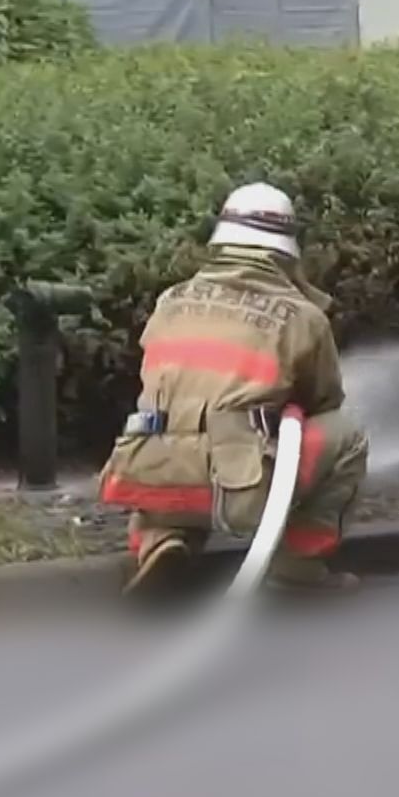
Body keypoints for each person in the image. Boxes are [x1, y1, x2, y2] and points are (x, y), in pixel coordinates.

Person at [98, 183, 369, 596]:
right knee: (346, 434)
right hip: (236, 491)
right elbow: (324, 402)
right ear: (285, 249)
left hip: (146, 476)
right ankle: (297, 570)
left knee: (172, 429)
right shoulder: (302, 317)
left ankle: (161, 538)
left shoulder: (170, 300)